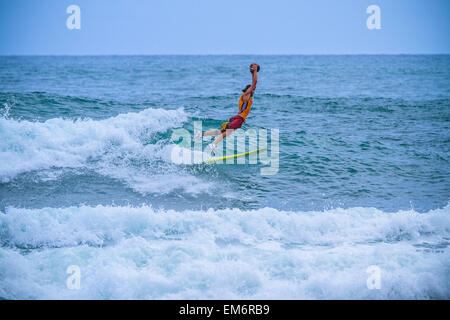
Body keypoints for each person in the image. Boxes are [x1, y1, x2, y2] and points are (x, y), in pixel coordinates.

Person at [198, 63, 260, 156]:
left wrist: (252, 73)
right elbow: (254, 83)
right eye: (252, 90)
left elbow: (253, 84)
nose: (254, 90)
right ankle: (213, 145)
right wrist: (254, 71)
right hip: (238, 119)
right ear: (248, 90)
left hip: (237, 118)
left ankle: (200, 134)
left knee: (221, 132)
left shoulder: (246, 97)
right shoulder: (246, 96)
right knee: (228, 132)